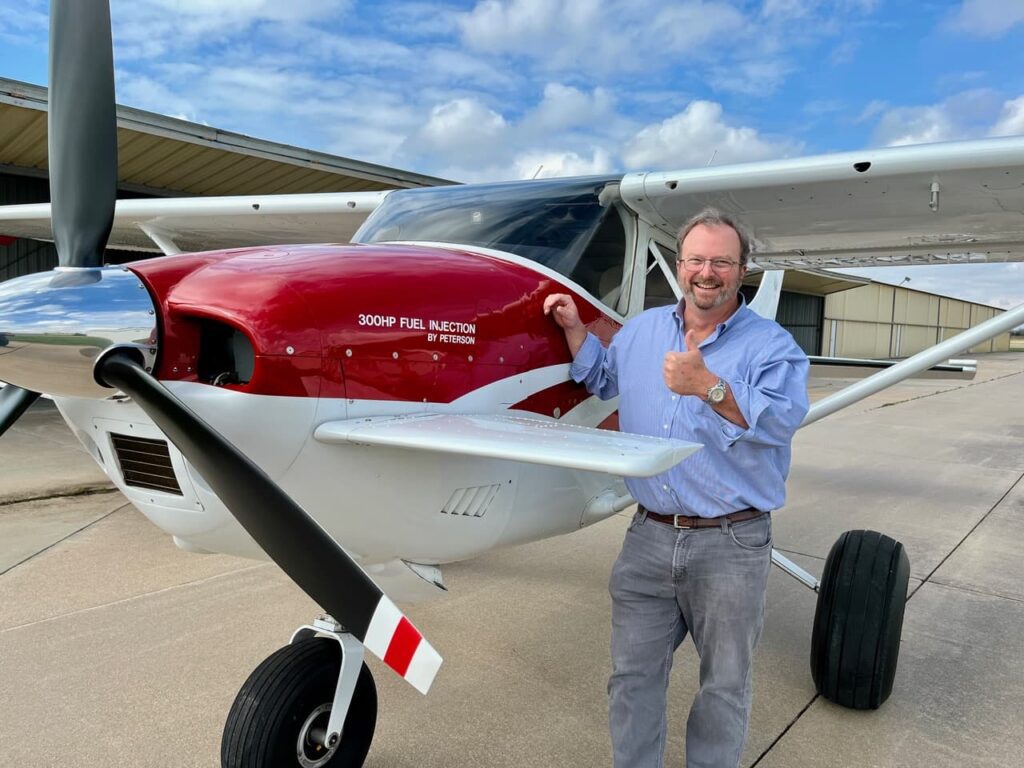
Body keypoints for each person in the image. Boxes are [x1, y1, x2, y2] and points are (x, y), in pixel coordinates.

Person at [543, 209, 809, 768]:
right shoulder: (641, 331)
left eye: (721, 261)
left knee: (723, 686)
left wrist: (709, 388)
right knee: (631, 678)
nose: (706, 272)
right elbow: (603, 378)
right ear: (679, 265)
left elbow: (782, 422)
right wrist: (574, 329)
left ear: (742, 271)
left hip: (731, 542)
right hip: (648, 537)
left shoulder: (772, 346)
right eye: (696, 259)